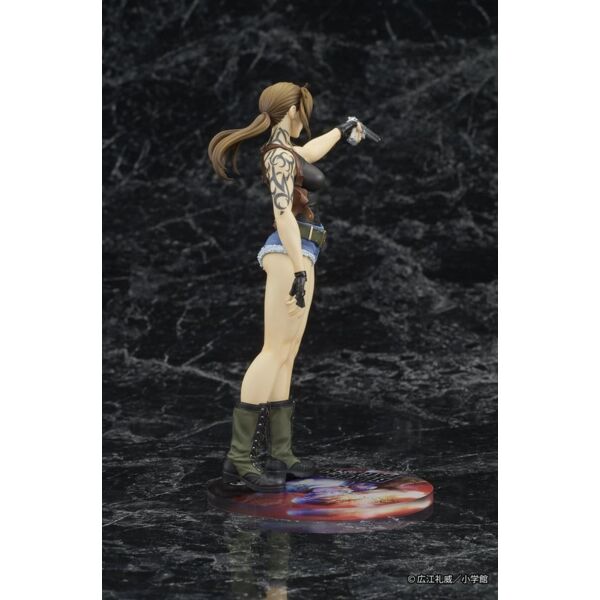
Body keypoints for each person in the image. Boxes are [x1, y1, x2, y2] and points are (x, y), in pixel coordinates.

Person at [208, 82, 365, 492]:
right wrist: (297, 269)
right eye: (303, 111)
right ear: (292, 110)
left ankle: (280, 454)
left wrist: (342, 130)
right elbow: (282, 214)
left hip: (301, 253)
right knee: (273, 351)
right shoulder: (278, 156)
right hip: (288, 255)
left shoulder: (287, 152)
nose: (305, 119)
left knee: (287, 353)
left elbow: (310, 151)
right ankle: (238, 458)